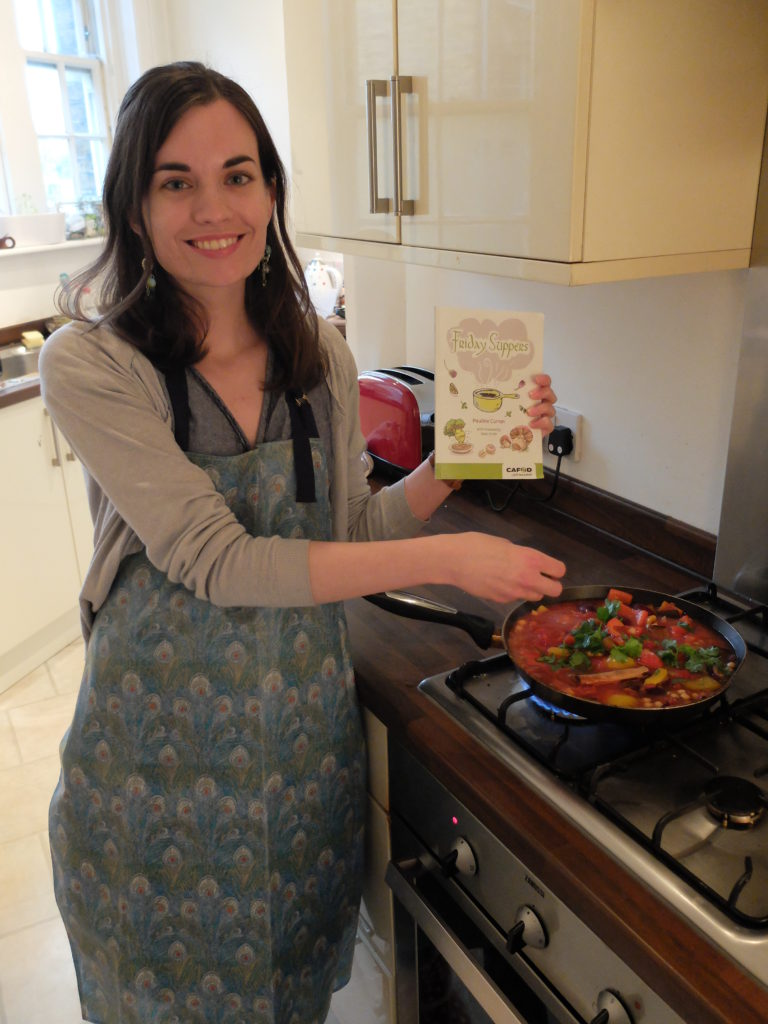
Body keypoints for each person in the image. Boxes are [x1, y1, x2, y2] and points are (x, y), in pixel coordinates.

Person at [40, 61, 566, 1024]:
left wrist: (463, 457)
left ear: (270, 189)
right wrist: (447, 560)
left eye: (238, 174)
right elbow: (219, 560)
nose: (214, 206)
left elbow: (348, 527)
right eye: (176, 180)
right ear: (135, 202)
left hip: (297, 774)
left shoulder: (316, 354)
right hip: (152, 796)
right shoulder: (93, 363)